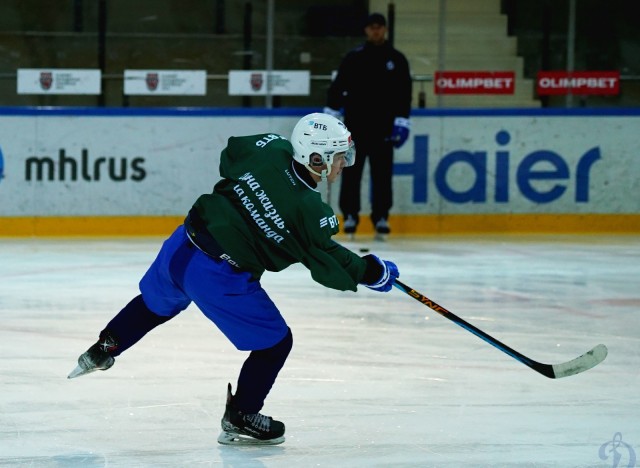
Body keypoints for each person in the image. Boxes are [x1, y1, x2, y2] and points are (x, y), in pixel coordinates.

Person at [67, 113, 400, 446]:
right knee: (275, 343)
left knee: (155, 306)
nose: (345, 164)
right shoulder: (310, 211)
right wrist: (371, 271)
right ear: (318, 158)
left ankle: (105, 347)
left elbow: (232, 153)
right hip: (218, 275)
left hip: (182, 244)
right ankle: (242, 415)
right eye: (340, 157)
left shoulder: (270, 148)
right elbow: (329, 262)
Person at [324, 12, 412, 239]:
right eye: (372, 27)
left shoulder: (397, 59)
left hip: (383, 129)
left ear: (385, 30)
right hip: (355, 127)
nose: (376, 31)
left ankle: (381, 216)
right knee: (351, 173)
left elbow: (404, 93)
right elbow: (337, 88)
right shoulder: (354, 58)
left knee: (383, 175)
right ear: (366, 30)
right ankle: (350, 215)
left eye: (379, 27)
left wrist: (402, 121)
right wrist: (331, 117)